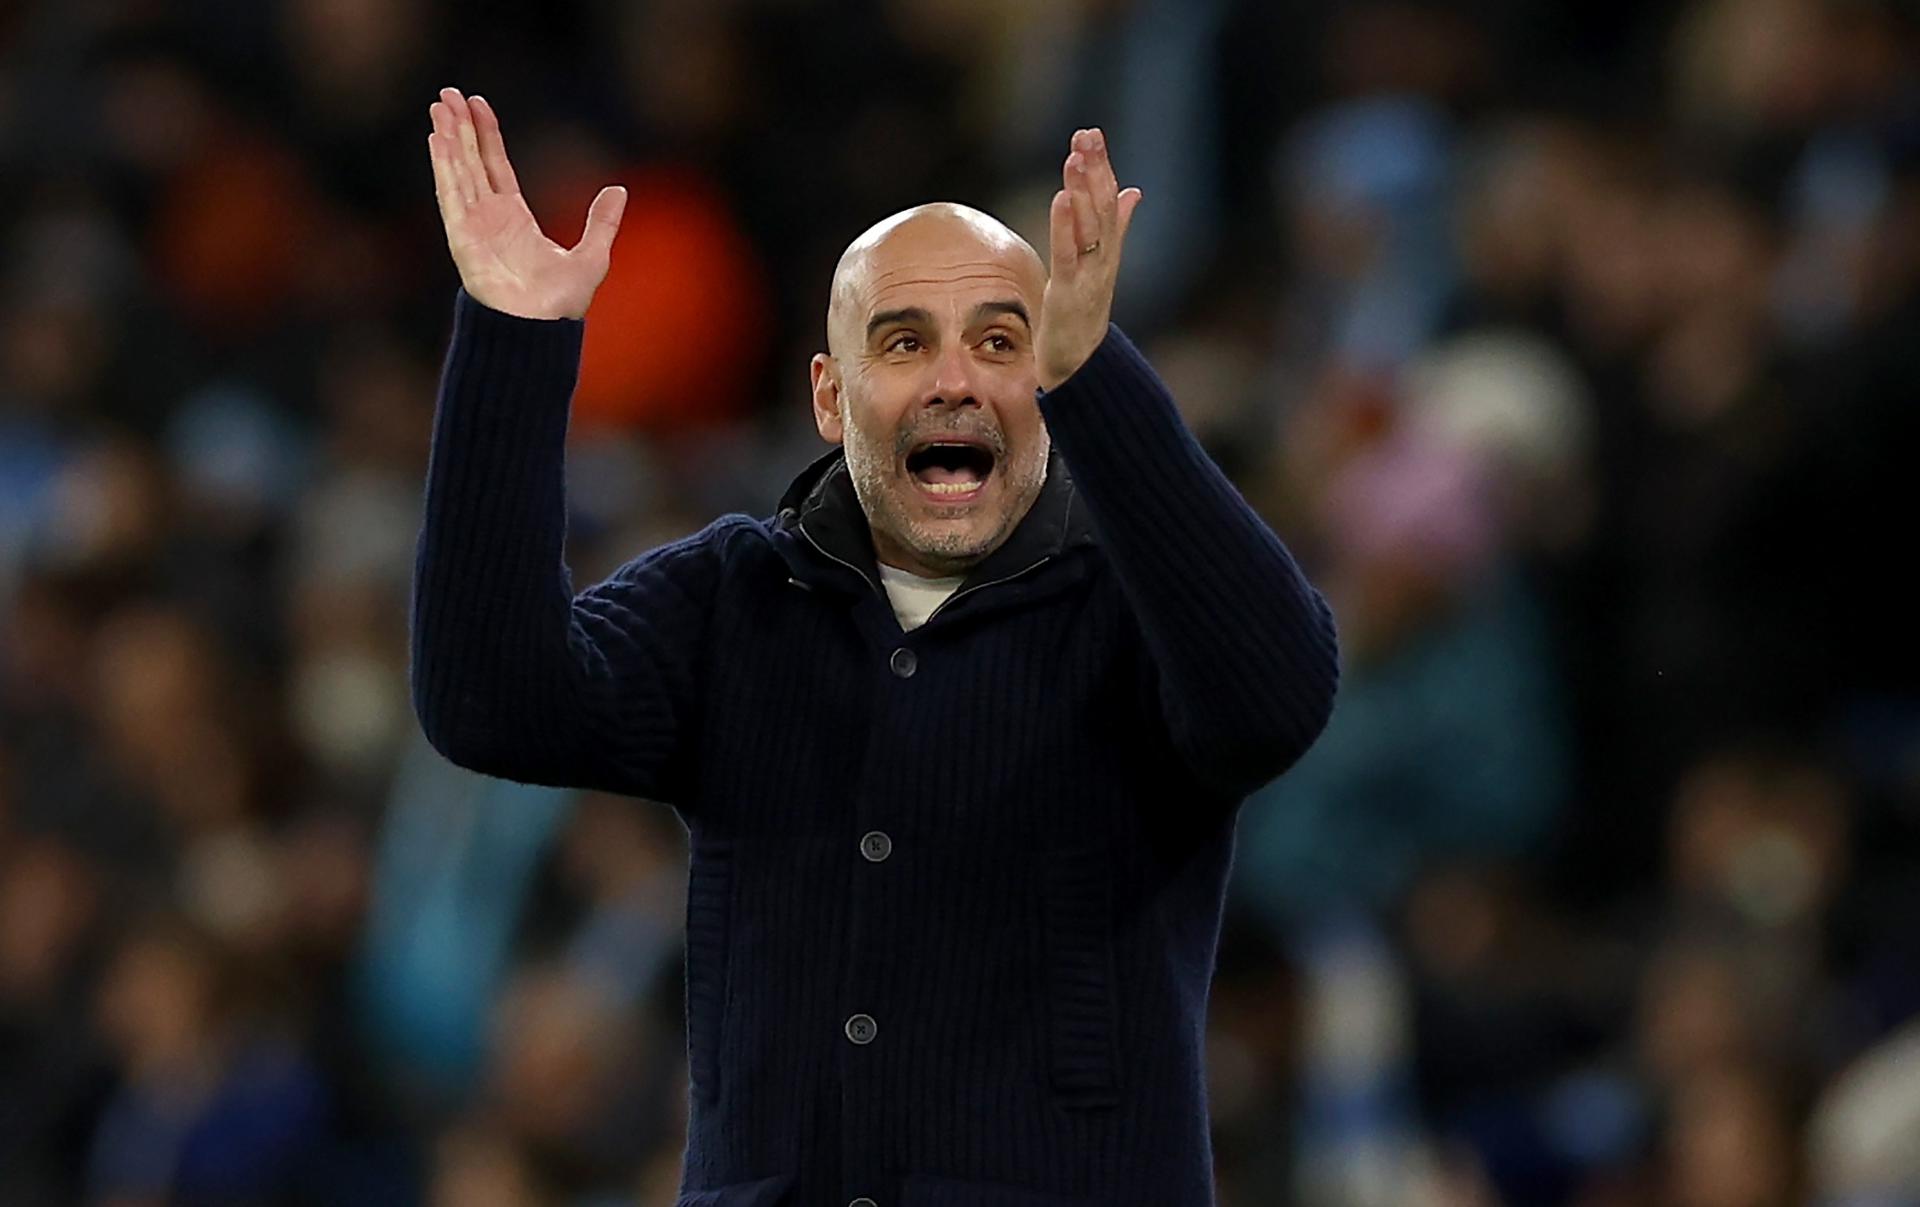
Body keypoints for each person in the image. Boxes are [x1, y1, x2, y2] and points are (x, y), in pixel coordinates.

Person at [416, 86, 1338, 1207]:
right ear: (829, 395)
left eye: (1001, 343)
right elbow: (491, 704)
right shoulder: (732, 595)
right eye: (904, 342)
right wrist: (512, 342)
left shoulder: (1137, 605)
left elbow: (1276, 698)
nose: (954, 380)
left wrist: (1102, 381)